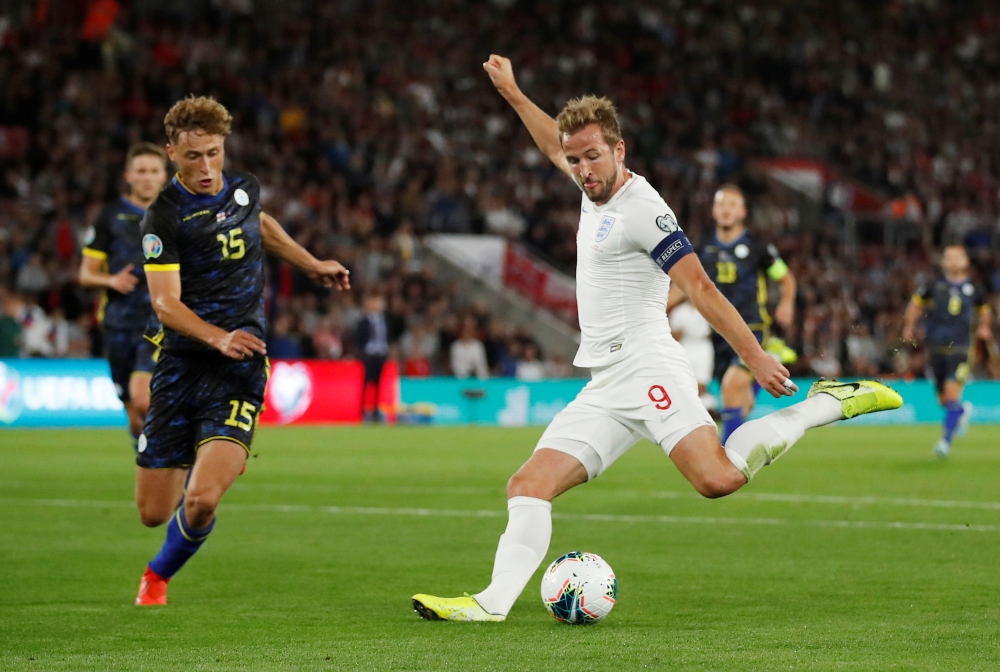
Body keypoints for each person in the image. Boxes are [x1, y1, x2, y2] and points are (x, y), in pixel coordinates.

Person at [411, 55, 902, 623]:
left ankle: (826, 404)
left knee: (716, 479)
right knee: (527, 484)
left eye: (593, 156)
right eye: (576, 160)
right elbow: (553, 145)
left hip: (648, 370)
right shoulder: (585, 182)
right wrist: (516, 94)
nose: (582, 169)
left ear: (620, 150)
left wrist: (754, 354)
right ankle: (491, 604)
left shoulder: (643, 209)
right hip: (606, 382)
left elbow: (698, 285)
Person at [133, 96, 350, 606]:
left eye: (213, 153)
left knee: (203, 499)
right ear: (172, 153)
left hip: (241, 367)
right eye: (193, 157)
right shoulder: (161, 219)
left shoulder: (244, 191)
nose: (206, 168)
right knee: (152, 513)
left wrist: (311, 262)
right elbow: (165, 304)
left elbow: (262, 225)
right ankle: (208, 451)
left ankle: (157, 576)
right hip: (182, 367)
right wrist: (215, 335)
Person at [674, 185, 797, 442]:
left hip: (751, 328)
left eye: (732, 205)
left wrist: (786, 303)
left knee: (731, 388)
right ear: (714, 211)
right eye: (721, 205)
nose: (726, 210)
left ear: (742, 212)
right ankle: (758, 380)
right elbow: (684, 287)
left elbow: (786, 279)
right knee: (740, 402)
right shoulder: (702, 247)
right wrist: (656, 308)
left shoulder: (758, 247)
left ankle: (727, 454)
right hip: (716, 333)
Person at [79, 142, 169, 446]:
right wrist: (111, 280)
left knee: (146, 401)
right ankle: (154, 465)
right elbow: (85, 273)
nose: (147, 177)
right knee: (135, 419)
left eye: (153, 171)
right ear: (129, 176)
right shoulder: (109, 216)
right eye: (141, 171)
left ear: (164, 175)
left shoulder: (176, 214)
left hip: (159, 323)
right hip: (118, 325)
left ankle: (178, 472)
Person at [902, 244, 992, 458]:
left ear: (966, 261)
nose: (952, 260)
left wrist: (984, 327)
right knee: (943, 400)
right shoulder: (933, 285)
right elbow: (915, 306)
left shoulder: (975, 289)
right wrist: (908, 326)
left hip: (961, 348)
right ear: (943, 262)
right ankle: (961, 411)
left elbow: (985, 311)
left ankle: (945, 442)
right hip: (936, 348)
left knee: (952, 393)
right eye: (948, 257)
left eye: (957, 257)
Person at [667, 301, 716, 411]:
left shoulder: (706, 308)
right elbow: (673, 333)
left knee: (701, 381)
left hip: (702, 345)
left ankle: (703, 409)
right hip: (686, 345)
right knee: (685, 380)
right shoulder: (679, 311)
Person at [354, 292, 389, 421]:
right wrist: (362, 353)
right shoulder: (364, 321)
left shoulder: (385, 320)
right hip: (368, 355)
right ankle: (362, 411)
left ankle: (375, 411)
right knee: (366, 383)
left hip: (381, 355)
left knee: (378, 384)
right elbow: (358, 338)